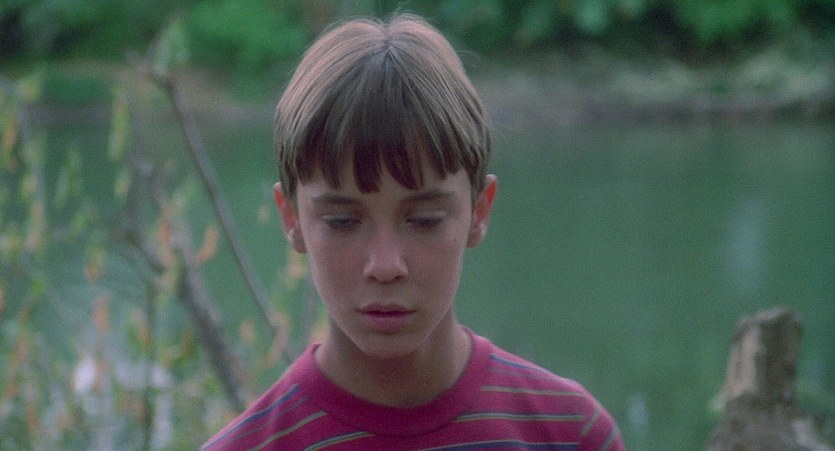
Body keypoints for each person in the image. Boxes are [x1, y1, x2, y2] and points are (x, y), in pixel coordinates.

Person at [202, 13, 624, 451]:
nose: (385, 266)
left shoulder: (571, 434)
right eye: (342, 221)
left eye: (425, 220)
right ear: (291, 219)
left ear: (479, 211)